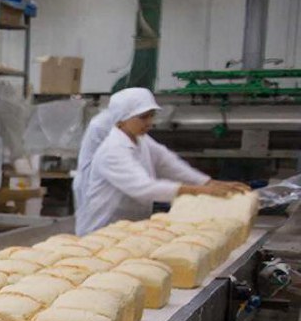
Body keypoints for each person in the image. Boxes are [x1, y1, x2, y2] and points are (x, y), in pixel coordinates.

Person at [76, 87, 248, 235]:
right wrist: (197, 190)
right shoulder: (112, 150)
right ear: (122, 119)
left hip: (128, 229)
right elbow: (143, 188)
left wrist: (208, 182)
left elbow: (168, 163)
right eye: (143, 117)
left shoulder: (141, 140)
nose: (149, 123)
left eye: (151, 116)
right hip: (101, 230)